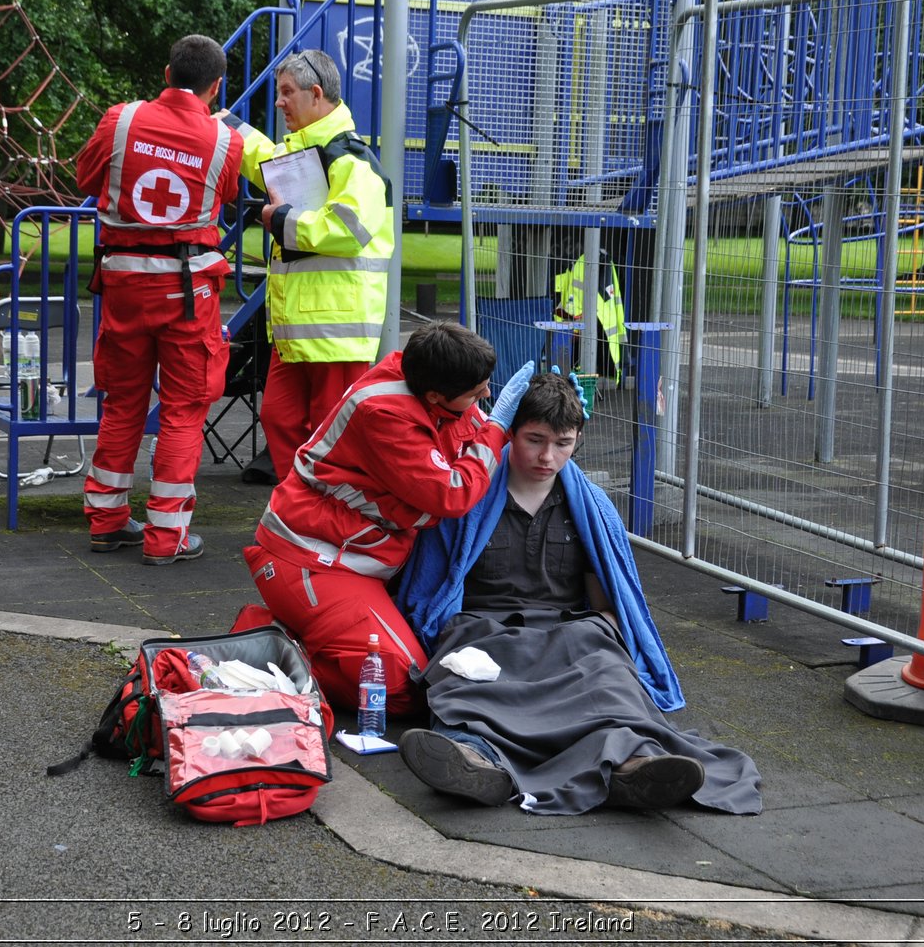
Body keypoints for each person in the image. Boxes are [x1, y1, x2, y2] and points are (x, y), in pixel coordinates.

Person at [394, 374, 762, 815]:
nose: (548, 456)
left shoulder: (591, 507)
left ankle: (635, 767)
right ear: (510, 432)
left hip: (568, 630)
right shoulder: (464, 496)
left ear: (578, 440)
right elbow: (431, 594)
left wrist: (600, 635)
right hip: (483, 632)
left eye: (563, 443)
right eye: (535, 440)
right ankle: (476, 761)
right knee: (464, 685)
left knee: (611, 682)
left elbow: (606, 602)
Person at [244, 322, 535, 713]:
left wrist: (542, 416)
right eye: (477, 391)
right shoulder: (385, 413)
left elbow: (469, 430)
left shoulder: (426, 375)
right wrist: (499, 428)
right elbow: (451, 492)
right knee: (398, 687)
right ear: (435, 395)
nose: (486, 395)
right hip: (313, 561)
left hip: (351, 557)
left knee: (421, 670)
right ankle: (261, 650)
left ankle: (300, 636)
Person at [76, 35, 244, 565]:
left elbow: (84, 176)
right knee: (184, 409)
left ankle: (105, 522)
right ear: (216, 87)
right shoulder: (224, 140)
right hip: (187, 290)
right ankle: (166, 536)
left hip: (123, 282)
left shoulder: (119, 120)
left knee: (122, 402)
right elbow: (228, 195)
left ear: (166, 71)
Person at [216, 48, 392, 480]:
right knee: (279, 418)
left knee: (329, 435)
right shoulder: (316, 151)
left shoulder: (350, 159)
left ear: (316, 95)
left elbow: (349, 230)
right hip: (301, 330)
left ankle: (320, 518)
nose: (279, 102)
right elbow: (263, 161)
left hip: (336, 333)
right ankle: (301, 510)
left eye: (286, 93)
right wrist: (229, 128)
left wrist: (283, 220)